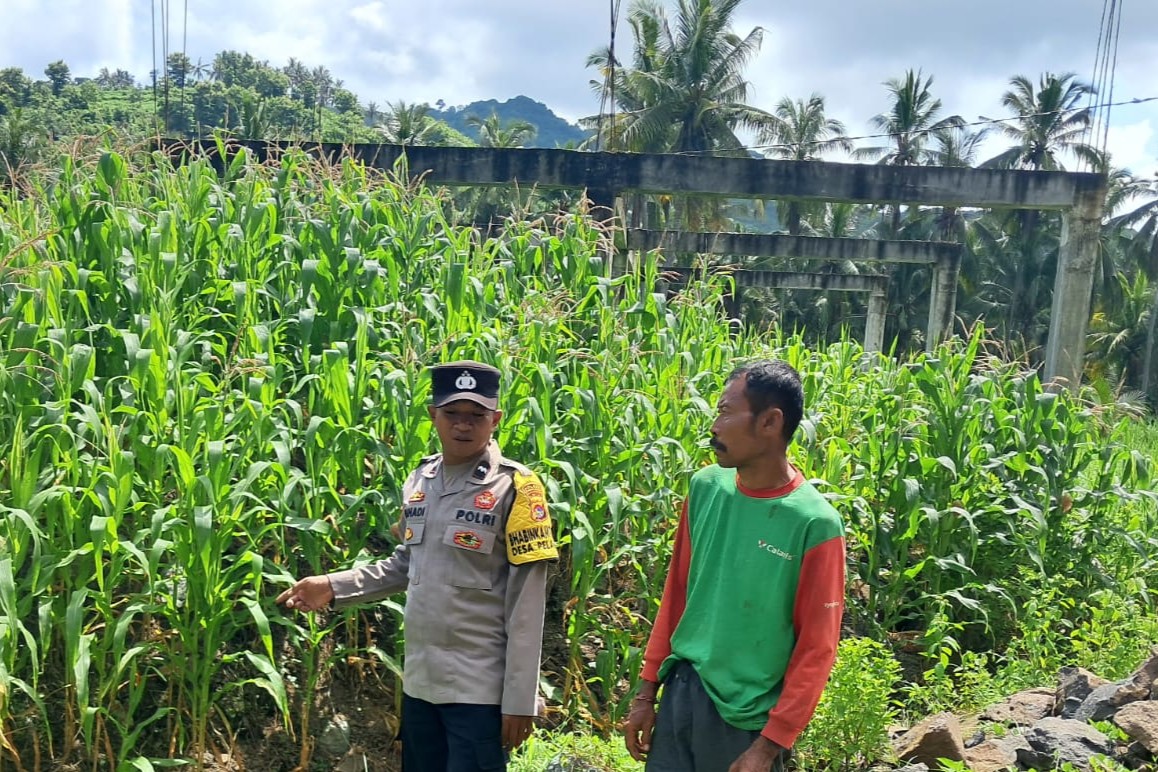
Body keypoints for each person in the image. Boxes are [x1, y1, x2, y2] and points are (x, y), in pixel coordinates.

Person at [277, 360, 558, 771]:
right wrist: (333, 586)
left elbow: (527, 605)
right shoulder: (421, 480)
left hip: (478, 692)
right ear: (433, 416)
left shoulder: (516, 488)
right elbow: (405, 565)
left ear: (495, 419)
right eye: (452, 414)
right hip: (421, 686)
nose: (463, 425)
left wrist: (520, 698)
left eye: (476, 415)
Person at [623, 360, 846, 772]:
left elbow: (817, 647)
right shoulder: (706, 488)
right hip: (682, 694)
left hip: (744, 723)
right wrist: (646, 691)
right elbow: (677, 595)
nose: (715, 426)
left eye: (726, 411)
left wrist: (769, 745)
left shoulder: (814, 524)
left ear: (770, 422)